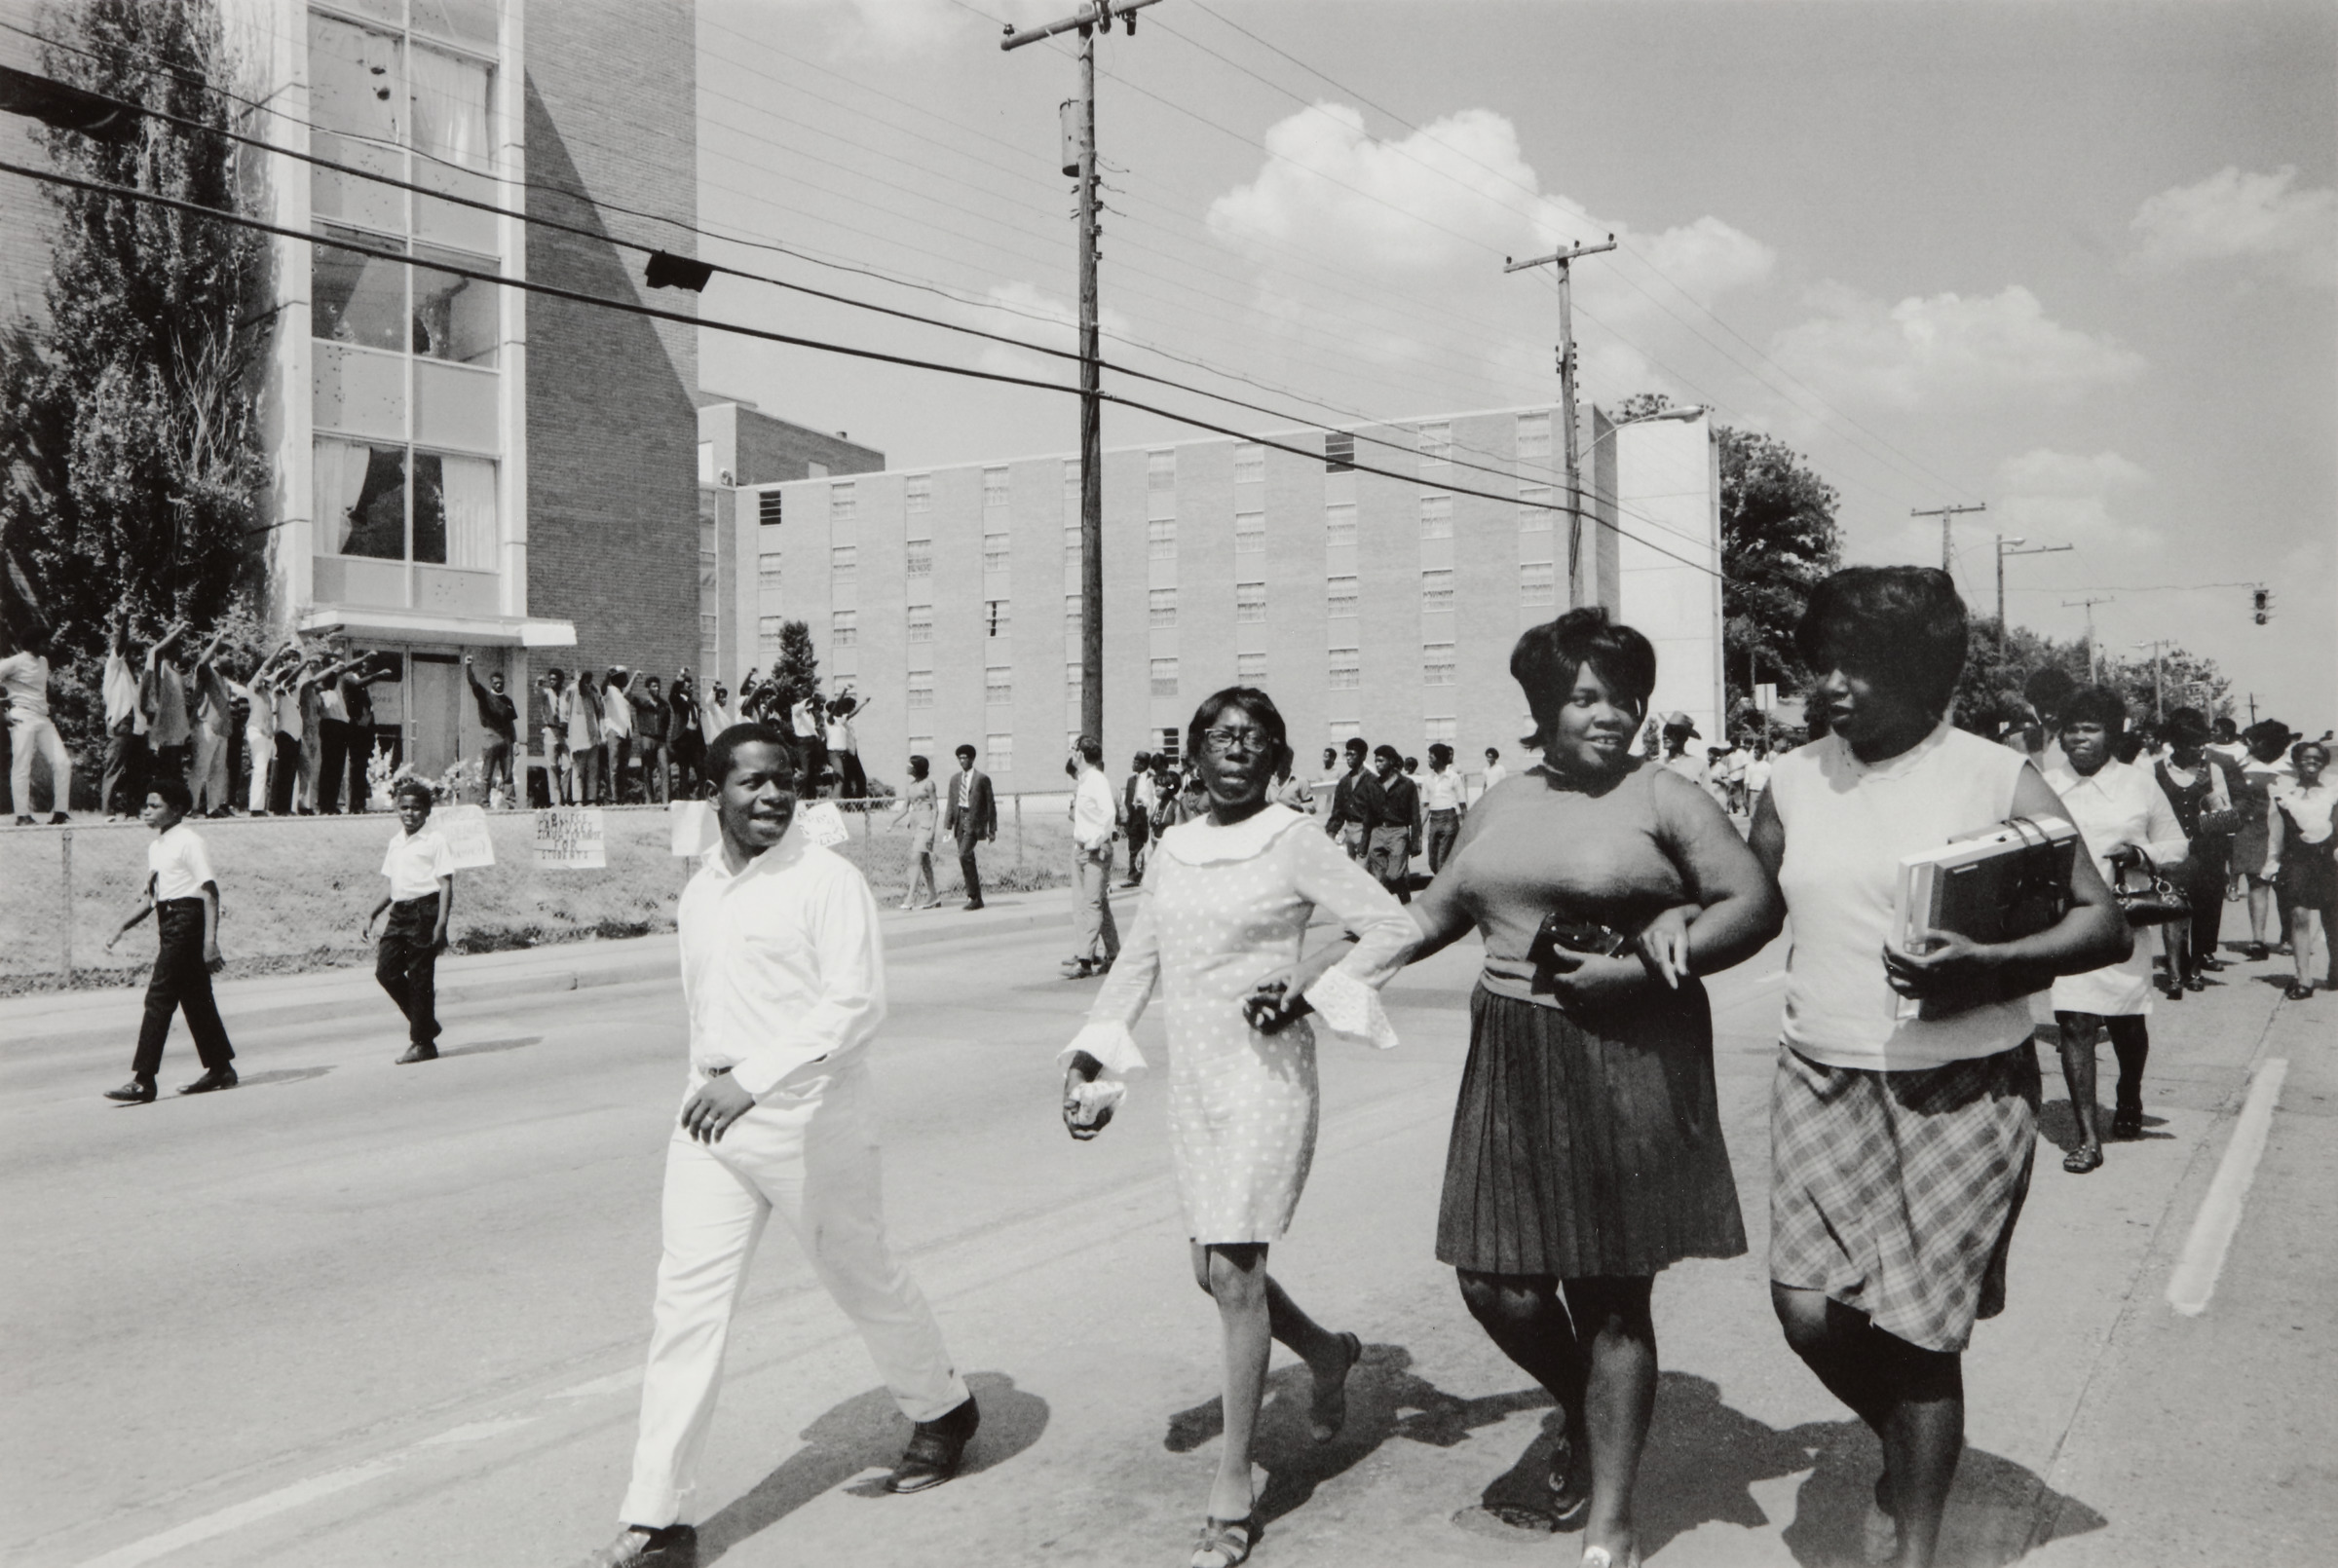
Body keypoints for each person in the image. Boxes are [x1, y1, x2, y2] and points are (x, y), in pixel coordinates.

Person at [1270, 609, 1783, 1568]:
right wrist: (1322, 971)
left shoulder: (1665, 797)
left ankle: (1612, 1523)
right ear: (1546, 704)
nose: (1611, 714)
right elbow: (1434, 909)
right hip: (1512, 1049)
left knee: (1611, 1297)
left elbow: (1754, 903)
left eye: (1625, 696)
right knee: (1494, 1280)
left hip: (1626, 1050)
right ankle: (1588, 1409)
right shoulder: (1500, 800)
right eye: (1587, 695)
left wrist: (1643, 964)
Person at [1749, 568, 2127, 1568]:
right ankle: (1909, 1447)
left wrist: (1996, 963)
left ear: (1921, 672)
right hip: (1820, 1077)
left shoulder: (1993, 775)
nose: (1829, 683)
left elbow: (2103, 921)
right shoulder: (1790, 779)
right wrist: (1647, 927)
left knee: (1920, 1334)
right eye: (1819, 662)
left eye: (1858, 666)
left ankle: (1914, 1540)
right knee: (1806, 1311)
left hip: (1962, 1083)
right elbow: (1747, 906)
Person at [588, 724, 978, 1568]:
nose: (770, 795)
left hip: (811, 1118)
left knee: (861, 1276)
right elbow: (708, 1013)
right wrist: (706, 1086)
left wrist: (753, 1079)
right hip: (711, 1119)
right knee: (684, 1311)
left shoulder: (825, 880)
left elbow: (855, 1006)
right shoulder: (701, 891)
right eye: (750, 783)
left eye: (783, 780)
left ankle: (942, 1407)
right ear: (714, 793)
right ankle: (658, 1518)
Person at [1061, 687, 1415, 1568]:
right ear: (1196, 752)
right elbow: (1137, 961)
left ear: (1277, 759)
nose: (1236, 750)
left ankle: (1233, 1485)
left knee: (1234, 1269)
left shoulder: (1294, 838)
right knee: (1210, 1271)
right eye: (1220, 736)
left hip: (1268, 1076)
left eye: (1254, 739)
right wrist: (1092, 1056)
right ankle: (1328, 1355)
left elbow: (1391, 924)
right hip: (1199, 1083)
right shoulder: (1175, 846)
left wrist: (1307, 980)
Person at [2042, 687, 2188, 1172]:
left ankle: (2129, 1093)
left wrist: (2141, 853)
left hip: (2124, 921)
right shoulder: (2044, 784)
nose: (2079, 738)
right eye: (2071, 728)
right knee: (2075, 1022)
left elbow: (2177, 845)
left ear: (2113, 732)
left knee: (2126, 1022)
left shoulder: (2138, 785)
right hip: (2067, 923)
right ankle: (2087, 1137)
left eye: (2091, 728)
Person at [101, 776, 242, 1101]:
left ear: (177, 810)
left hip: (187, 921)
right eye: (146, 805)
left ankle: (144, 1079)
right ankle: (221, 1068)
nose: (146, 811)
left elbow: (210, 893)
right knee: (195, 998)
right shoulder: (157, 846)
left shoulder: (189, 840)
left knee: (159, 997)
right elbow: (151, 898)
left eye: (155, 806)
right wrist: (120, 928)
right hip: (169, 921)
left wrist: (210, 942)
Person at [364, 778, 456, 1064]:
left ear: (427, 811)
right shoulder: (396, 842)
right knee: (386, 972)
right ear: (396, 809)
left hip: (425, 912)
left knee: (419, 978)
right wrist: (371, 913)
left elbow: (445, 884)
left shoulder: (435, 840)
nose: (409, 813)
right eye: (404, 807)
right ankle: (425, 1023)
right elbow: (389, 884)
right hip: (399, 913)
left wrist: (441, 924)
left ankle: (422, 1042)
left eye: (416, 808)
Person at [2153, 709, 2235, 991]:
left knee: (2204, 912)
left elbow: (2224, 812)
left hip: (2206, 851)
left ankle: (2196, 967)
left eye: (2202, 744)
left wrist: (2213, 803)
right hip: (2171, 852)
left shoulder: (2213, 770)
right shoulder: (2154, 770)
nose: (2199, 750)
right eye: (2191, 744)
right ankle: (2175, 973)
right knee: (2173, 910)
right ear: (2176, 743)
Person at [2265, 740, 2337, 999]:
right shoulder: (2283, 797)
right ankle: (2303, 979)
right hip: (2297, 861)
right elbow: (2276, 835)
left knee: (2334, 921)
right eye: (2306, 758)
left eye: (2317, 758)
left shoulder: (2333, 793)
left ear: (2323, 763)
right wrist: (2271, 863)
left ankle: (2336, 969)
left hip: (2330, 862)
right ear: (2296, 762)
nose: (2312, 762)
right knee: (2299, 916)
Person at [2231, 722, 2295, 960]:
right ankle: (2258, 939)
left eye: (2255, 740)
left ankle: (2288, 937)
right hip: (2252, 831)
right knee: (2257, 883)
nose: (2249, 745)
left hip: (2287, 833)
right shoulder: (2243, 766)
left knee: (2285, 887)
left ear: (2269, 743)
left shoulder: (2293, 766)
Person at [2, 624, 72, 824]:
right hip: (22, 716)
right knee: (22, 766)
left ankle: (60, 812)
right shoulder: (15, 662)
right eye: (44, 641)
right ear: (32, 642)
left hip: (42, 718)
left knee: (63, 762)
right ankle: (22, 815)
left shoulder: (43, 662)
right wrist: (3, 715)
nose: (47, 645)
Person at [1064, 735, 1121, 979]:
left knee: (1091, 904)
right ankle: (1114, 955)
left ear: (1081, 754)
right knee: (1094, 903)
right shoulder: (1083, 781)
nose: (1071, 752)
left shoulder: (1097, 780)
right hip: (1080, 850)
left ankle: (1085, 960)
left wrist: (1096, 842)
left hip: (1094, 851)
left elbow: (1109, 815)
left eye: (1074, 749)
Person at [101, 612, 149, 820]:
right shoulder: (115, 666)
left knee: (137, 770)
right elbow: (121, 643)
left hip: (137, 726)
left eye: (140, 655)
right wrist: (126, 621)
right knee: (114, 768)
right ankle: (107, 812)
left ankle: (132, 811)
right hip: (122, 722)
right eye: (134, 654)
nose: (138, 658)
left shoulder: (135, 679)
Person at [1361, 744, 1419, 903]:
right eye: (1376, 761)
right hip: (1378, 832)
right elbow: (1368, 816)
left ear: (1391, 761)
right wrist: (1364, 844)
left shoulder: (1407, 785)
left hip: (1398, 832)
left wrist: (1415, 843)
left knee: (1394, 875)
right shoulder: (1372, 785)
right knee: (1377, 879)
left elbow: (1415, 815)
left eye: (1381, 760)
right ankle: (1384, 914)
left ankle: (1406, 901)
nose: (1377, 764)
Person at [141, 620, 194, 790]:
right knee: (164, 772)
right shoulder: (161, 668)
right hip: (164, 732)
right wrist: (179, 630)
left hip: (177, 732)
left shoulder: (175, 672)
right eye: (179, 646)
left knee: (173, 772)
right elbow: (156, 651)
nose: (182, 651)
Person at [943, 743, 996, 911]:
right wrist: (947, 825)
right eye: (960, 758)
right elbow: (951, 802)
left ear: (972, 759)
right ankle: (976, 897)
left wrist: (992, 829)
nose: (962, 761)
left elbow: (990, 805)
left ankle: (973, 896)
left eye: (965, 758)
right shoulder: (955, 779)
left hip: (974, 820)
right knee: (967, 858)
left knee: (964, 855)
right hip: (960, 818)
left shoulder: (982, 779)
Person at [890, 754, 943, 910]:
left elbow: (935, 808)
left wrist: (933, 830)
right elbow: (905, 807)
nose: (907, 766)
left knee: (915, 859)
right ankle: (933, 896)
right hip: (914, 825)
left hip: (925, 825)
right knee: (924, 861)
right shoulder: (911, 786)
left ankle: (909, 898)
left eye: (910, 764)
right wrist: (893, 821)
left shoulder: (929, 784)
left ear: (917, 768)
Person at [466, 655, 519, 805]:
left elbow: (511, 723)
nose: (499, 686)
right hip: (491, 737)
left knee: (508, 774)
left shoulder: (508, 701)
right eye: (496, 683)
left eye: (501, 683)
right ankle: (484, 802)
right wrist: (468, 666)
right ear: (491, 683)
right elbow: (473, 682)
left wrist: (515, 742)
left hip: (507, 739)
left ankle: (510, 802)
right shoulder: (485, 696)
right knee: (487, 773)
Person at [1419, 743, 1466, 873]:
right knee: (1432, 862)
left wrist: (1465, 826)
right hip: (1434, 821)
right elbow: (1426, 806)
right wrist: (1419, 827)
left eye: (1431, 758)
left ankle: (1443, 887)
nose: (1428, 761)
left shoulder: (1454, 777)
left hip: (1449, 820)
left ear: (1439, 759)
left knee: (1442, 861)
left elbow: (1462, 805)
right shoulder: (1427, 779)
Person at [1323, 737, 1371, 860]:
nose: (1348, 758)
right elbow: (1338, 812)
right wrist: (1330, 835)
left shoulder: (1373, 781)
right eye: (1347, 754)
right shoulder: (1344, 782)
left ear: (1363, 756)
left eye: (1352, 754)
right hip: (1349, 831)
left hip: (1366, 831)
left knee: (1364, 872)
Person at [631, 674, 672, 805]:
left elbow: (667, 722)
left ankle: (665, 800)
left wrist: (664, 738)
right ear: (648, 689)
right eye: (653, 686)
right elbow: (626, 694)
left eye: (658, 686)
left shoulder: (664, 705)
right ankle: (649, 799)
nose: (657, 688)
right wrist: (634, 677)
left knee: (665, 768)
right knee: (647, 769)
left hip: (660, 740)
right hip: (647, 738)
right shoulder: (642, 702)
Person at [536, 668, 573, 806]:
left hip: (565, 731)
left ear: (561, 680)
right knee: (552, 766)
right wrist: (539, 683)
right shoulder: (546, 693)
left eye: (555, 679)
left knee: (568, 766)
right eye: (550, 679)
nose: (552, 682)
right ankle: (556, 800)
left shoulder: (566, 694)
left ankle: (564, 797)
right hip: (551, 730)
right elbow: (538, 692)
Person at [570, 670, 607, 805]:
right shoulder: (575, 693)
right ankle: (578, 800)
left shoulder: (594, 695)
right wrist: (578, 680)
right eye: (584, 681)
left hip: (593, 738)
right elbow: (574, 688)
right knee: (578, 771)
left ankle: (592, 799)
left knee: (593, 769)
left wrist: (602, 735)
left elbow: (601, 714)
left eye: (588, 681)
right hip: (579, 739)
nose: (586, 684)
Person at [667, 669, 705, 800]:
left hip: (695, 739)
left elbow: (697, 723)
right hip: (683, 739)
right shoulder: (678, 701)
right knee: (684, 771)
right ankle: (684, 798)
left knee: (701, 768)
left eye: (692, 686)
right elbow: (672, 694)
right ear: (682, 688)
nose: (692, 688)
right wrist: (680, 678)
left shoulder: (693, 703)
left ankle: (702, 797)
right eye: (689, 686)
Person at [602, 666, 638, 803]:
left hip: (626, 734)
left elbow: (626, 713)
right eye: (624, 677)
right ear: (617, 678)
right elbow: (602, 688)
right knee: (614, 766)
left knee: (623, 767)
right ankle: (612, 797)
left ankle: (621, 797)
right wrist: (607, 676)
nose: (626, 679)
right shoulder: (610, 691)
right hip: (614, 732)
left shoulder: (623, 694)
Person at [1121, 751, 1154, 886]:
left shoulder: (1153, 778)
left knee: (1150, 845)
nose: (1133, 765)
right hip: (1135, 815)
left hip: (1146, 813)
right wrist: (1125, 822)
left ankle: (1150, 876)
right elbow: (1128, 801)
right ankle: (1134, 877)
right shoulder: (1131, 781)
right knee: (1134, 846)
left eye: (1136, 762)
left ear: (1143, 764)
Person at [829, 693, 869, 799]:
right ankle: (852, 802)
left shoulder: (844, 720)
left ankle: (858, 801)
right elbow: (852, 714)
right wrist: (863, 703)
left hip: (853, 751)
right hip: (846, 752)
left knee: (857, 778)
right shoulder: (839, 720)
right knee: (853, 778)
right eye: (851, 707)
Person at [1658, 712, 1706, 790]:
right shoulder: (1657, 765)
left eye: (1670, 732)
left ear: (1684, 737)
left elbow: (1709, 798)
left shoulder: (1699, 765)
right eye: (1664, 732)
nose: (1665, 736)